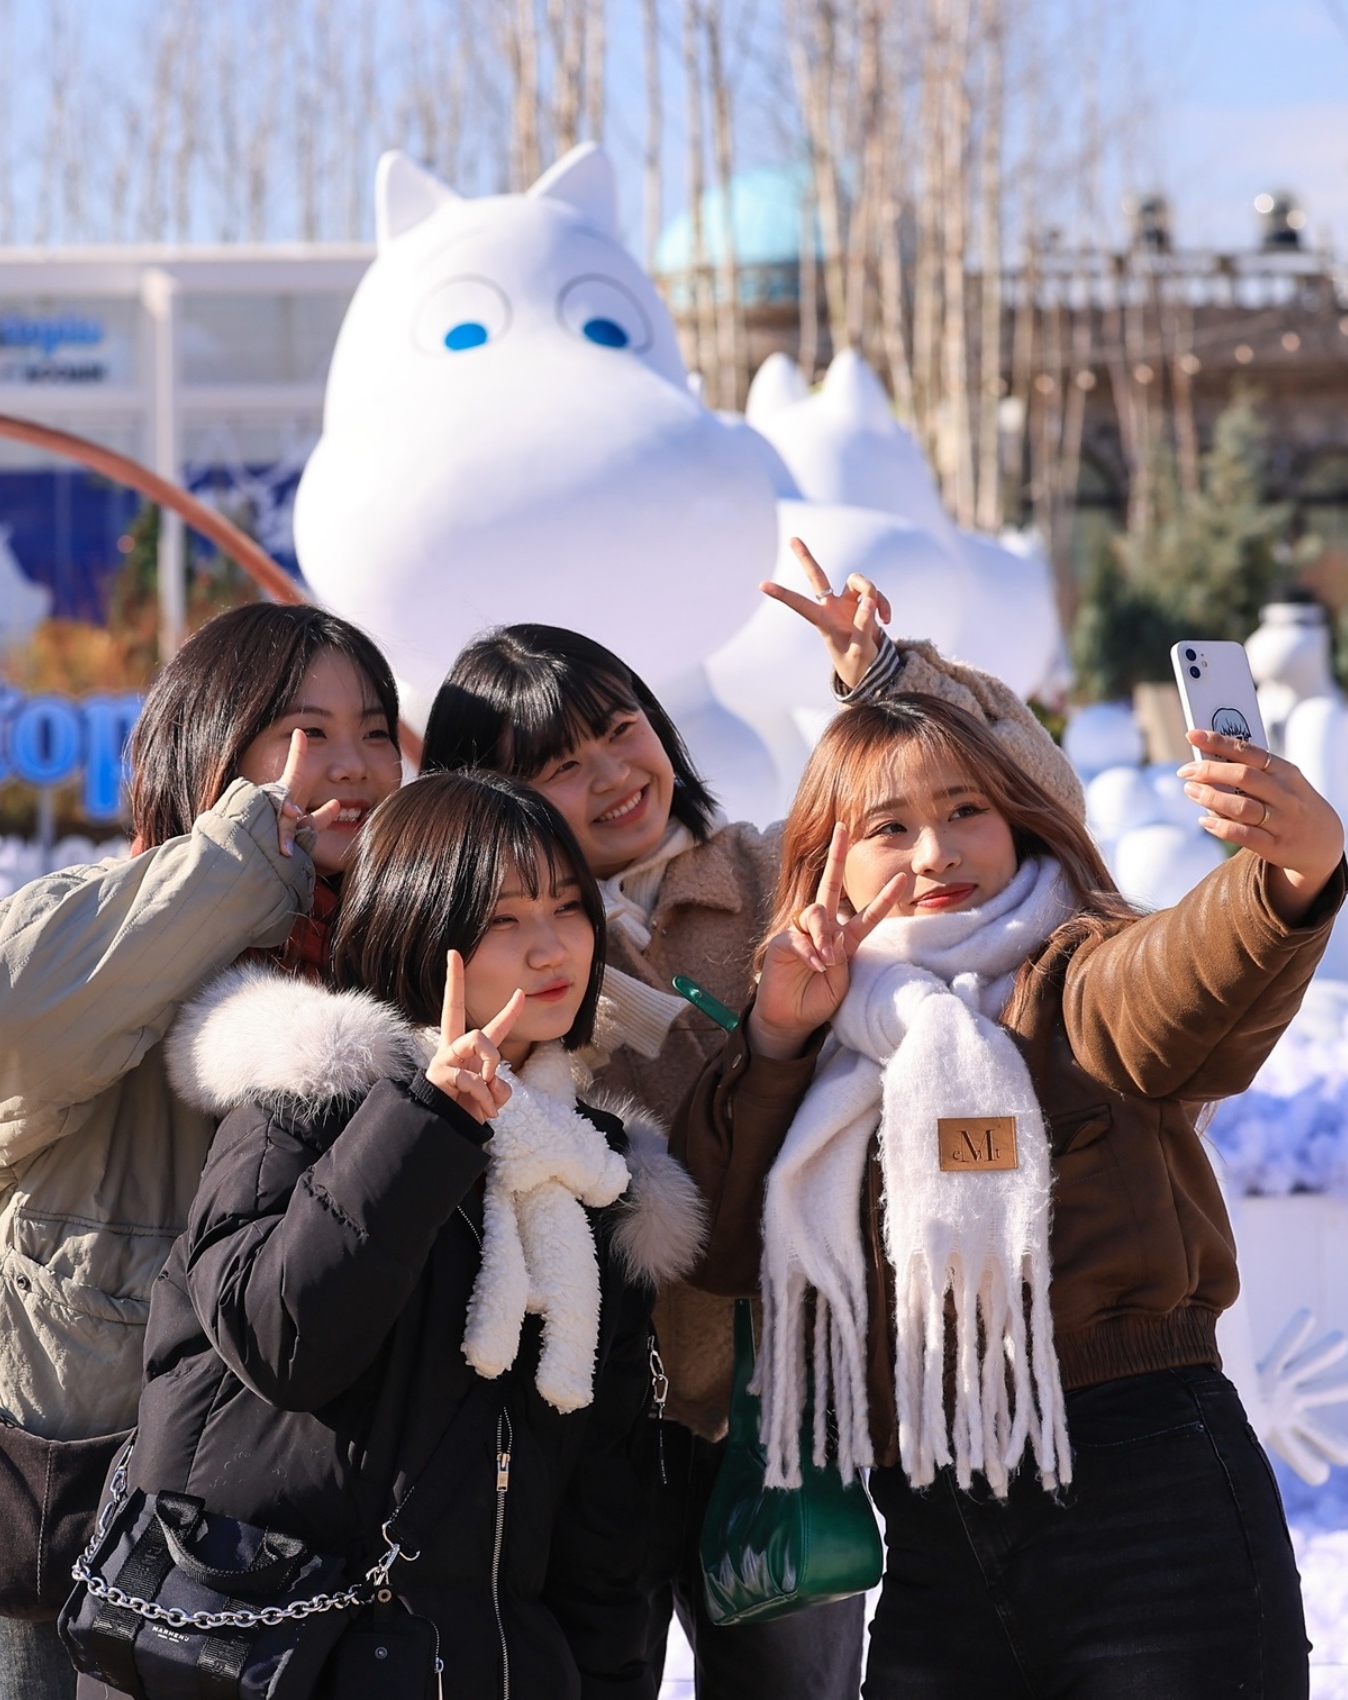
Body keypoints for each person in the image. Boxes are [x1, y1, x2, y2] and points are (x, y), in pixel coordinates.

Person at [420, 545, 1082, 1697]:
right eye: (561, 764)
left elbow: (1034, 814)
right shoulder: (474, 944)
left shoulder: (788, 868)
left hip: (782, 1411)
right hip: (580, 1429)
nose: (614, 771)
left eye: (620, 727)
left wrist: (894, 681)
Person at [678, 693, 1347, 1698]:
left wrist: (1290, 874)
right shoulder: (812, 1049)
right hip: (935, 1542)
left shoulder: (1076, 974)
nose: (937, 849)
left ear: (1016, 821)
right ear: (823, 864)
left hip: (1146, 1504)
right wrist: (775, 1045)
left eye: (965, 811)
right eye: (889, 826)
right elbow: (723, 1250)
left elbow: (1181, 970)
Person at [0, 602, 405, 1700]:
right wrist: (250, 855)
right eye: (304, 729)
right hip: (45, 1464)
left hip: (259, 1493)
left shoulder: (390, 944)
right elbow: (18, 1000)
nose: (350, 764)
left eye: (375, 730)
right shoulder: (119, 913)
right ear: (212, 747)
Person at [114, 770, 707, 1699]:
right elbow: (285, 1341)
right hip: (270, 1653)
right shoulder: (310, 1101)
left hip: (474, 1662)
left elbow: (603, 1507)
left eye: (566, 907)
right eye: (506, 920)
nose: (553, 947)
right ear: (421, 930)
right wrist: (428, 1120)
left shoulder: (587, 1168)